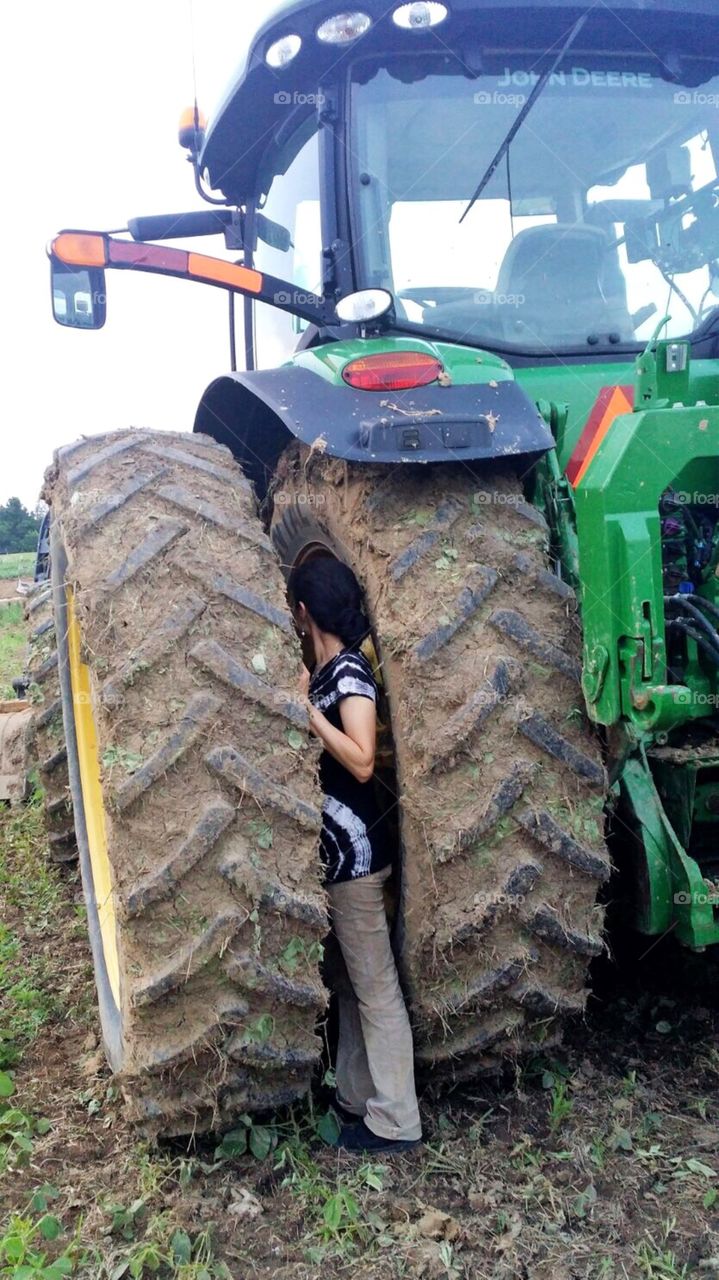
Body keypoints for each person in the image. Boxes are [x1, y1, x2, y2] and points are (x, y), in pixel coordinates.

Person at [288, 554, 422, 1154]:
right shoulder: (326, 671)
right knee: (347, 978)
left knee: (375, 985)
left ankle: (397, 1119)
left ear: (303, 612)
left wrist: (309, 716)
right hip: (340, 856)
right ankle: (354, 1097)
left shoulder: (347, 673)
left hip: (359, 858)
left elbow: (363, 759)